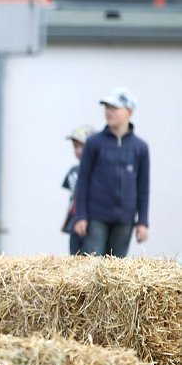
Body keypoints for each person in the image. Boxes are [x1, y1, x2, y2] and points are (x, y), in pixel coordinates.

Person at [73, 87, 149, 257]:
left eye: (114, 108)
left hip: (125, 220)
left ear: (129, 111)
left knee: (116, 271)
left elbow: (143, 187)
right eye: (107, 108)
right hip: (95, 217)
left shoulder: (140, 148)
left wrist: (142, 222)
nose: (108, 112)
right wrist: (81, 216)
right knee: (92, 264)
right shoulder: (94, 143)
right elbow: (83, 180)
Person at [61, 124, 94, 255]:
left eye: (82, 146)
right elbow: (72, 197)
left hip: (91, 221)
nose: (79, 150)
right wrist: (68, 218)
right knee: (74, 255)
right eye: (76, 147)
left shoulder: (98, 172)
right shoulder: (73, 172)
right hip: (74, 220)